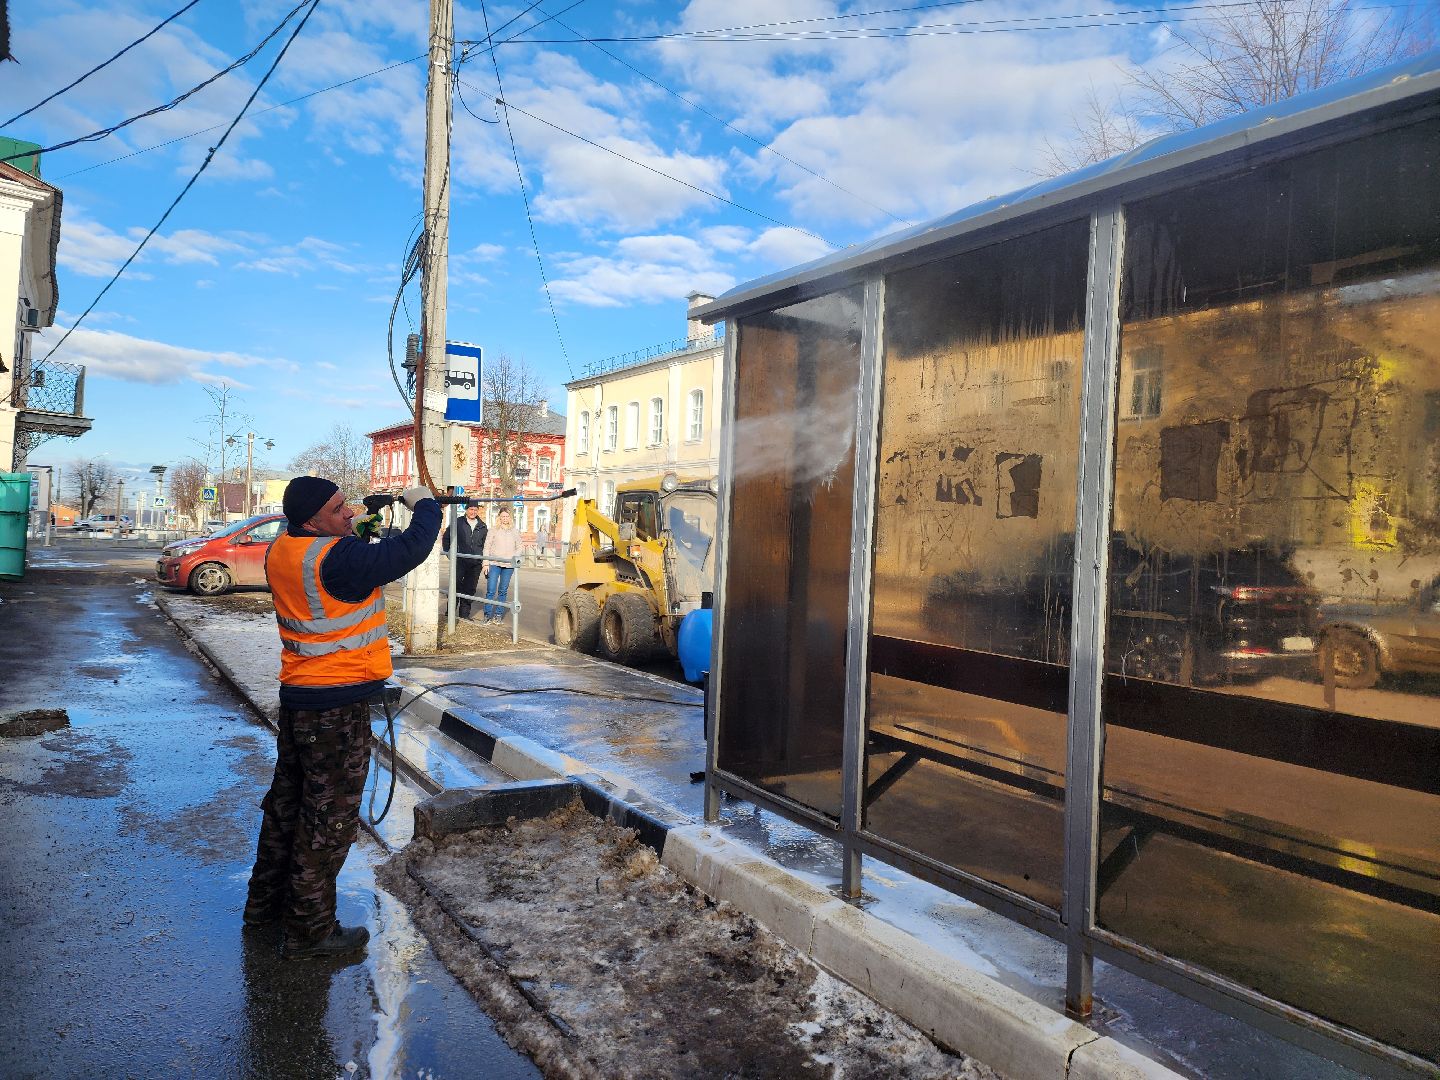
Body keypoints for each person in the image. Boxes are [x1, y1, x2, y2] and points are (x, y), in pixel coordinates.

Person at [243, 476, 439, 960]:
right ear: (312, 520)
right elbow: (407, 552)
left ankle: (263, 910)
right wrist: (427, 507)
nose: (348, 513)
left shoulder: (285, 549)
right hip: (335, 707)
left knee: (287, 810)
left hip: (300, 700)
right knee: (328, 821)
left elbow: (345, 567)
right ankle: (311, 933)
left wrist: (364, 527)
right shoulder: (337, 559)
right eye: (338, 509)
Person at [442, 503, 488, 619]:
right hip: (460, 560)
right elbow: (447, 537)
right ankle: (450, 614)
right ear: (466, 510)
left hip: (475, 563)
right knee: (455, 586)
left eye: (475, 510)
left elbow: (485, 544)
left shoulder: (482, 526)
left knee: (470, 589)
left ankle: (464, 616)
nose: (473, 512)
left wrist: (483, 560)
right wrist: (449, 553)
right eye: (471, 509)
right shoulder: (458, 522)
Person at [482, 507, 522, 623]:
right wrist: (485, 563)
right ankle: (487, 615)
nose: (505, 518)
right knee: (491, 589)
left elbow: (519, 546)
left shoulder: (514, 531)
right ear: (499, 517)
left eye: (507, 516)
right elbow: (487, 547)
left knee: (503, 590)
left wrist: (514, 556)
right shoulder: (493, 530)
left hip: (508, 566)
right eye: (503, 516)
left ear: (510, 518)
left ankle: (498, 615)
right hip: (494, 563)